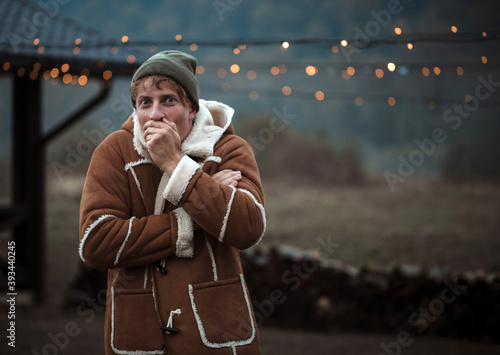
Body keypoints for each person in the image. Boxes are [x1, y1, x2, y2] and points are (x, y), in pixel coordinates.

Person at [79, 50, 266, 354]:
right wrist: (189, 220)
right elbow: (95, 242)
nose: (155, 114)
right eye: (144, 102)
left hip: (214, 336)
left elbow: (247, 228)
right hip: (138, 332)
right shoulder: (114, 152)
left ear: (192, 108)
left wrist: (176, 164)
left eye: (168, 100)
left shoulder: (230, 149)